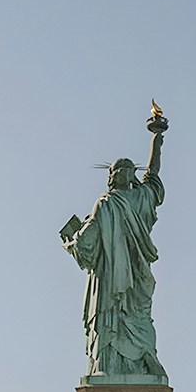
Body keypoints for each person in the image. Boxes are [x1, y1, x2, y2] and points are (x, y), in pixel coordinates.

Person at [61, 109, 170, 378]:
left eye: (122, 169)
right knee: (124, 315)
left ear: (128, 175)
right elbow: (90, 239)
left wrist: (156, 139)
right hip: (116, 276)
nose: (118, 172)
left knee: (132, 314)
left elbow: (153, 173)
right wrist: (76, 242)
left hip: (126, 275)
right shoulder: (111, 202)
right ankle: (115, 365)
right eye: (116, 169)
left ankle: (133, 362)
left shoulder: (130, 200)